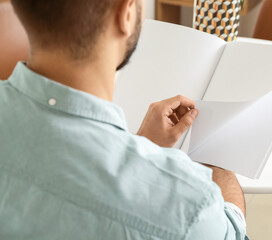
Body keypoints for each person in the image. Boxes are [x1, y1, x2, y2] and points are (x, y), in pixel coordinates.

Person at [0, 0, 249, 239]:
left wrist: (143, 144)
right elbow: (232, 231)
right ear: (126, 12)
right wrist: (219, 166)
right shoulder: (190, 205)